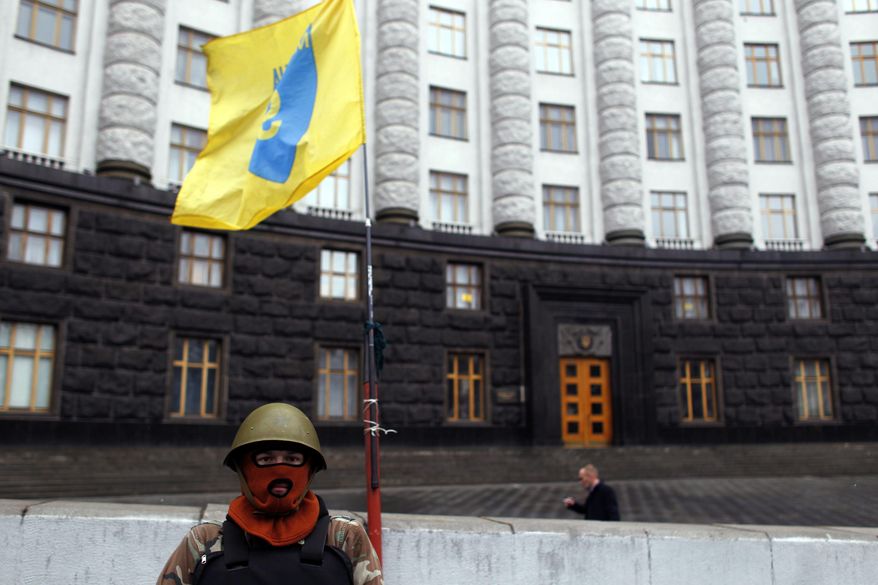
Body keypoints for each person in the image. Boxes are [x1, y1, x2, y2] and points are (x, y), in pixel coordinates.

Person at [156, 402, 383, 585]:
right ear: (243, 469)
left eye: (292, 460)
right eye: (266, 459)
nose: (279, 468)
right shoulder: (204, 542)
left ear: (309, 470)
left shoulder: (344, 538)